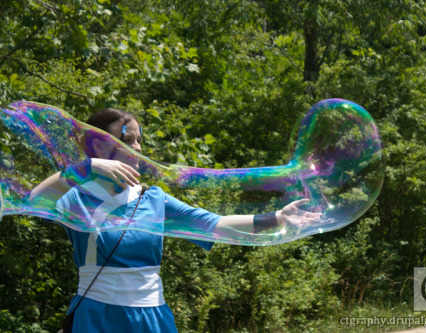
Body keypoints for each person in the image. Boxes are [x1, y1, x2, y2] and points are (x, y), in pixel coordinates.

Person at [28, 108, 321, 332]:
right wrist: (86, 167)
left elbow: (215, 224)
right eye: (127, 139)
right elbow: (33, 200)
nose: (139, 149)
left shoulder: (153, 199)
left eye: (140, 140)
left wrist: (277, 218)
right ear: (99, 146)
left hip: (152, 317)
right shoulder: (76, 197)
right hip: (97, 316)